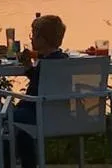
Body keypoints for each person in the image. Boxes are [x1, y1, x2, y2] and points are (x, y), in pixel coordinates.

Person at [10, 14, 68, 168]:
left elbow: (37, 87)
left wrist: (28, 66)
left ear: (43, 40)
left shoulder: (47, 64)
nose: (31, 39)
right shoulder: (62, 60)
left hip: (38, 112)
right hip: (59, 112)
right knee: (23, 133)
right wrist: (30, 67)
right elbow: (42, 82)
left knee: (4, 118)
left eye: (34, 35)